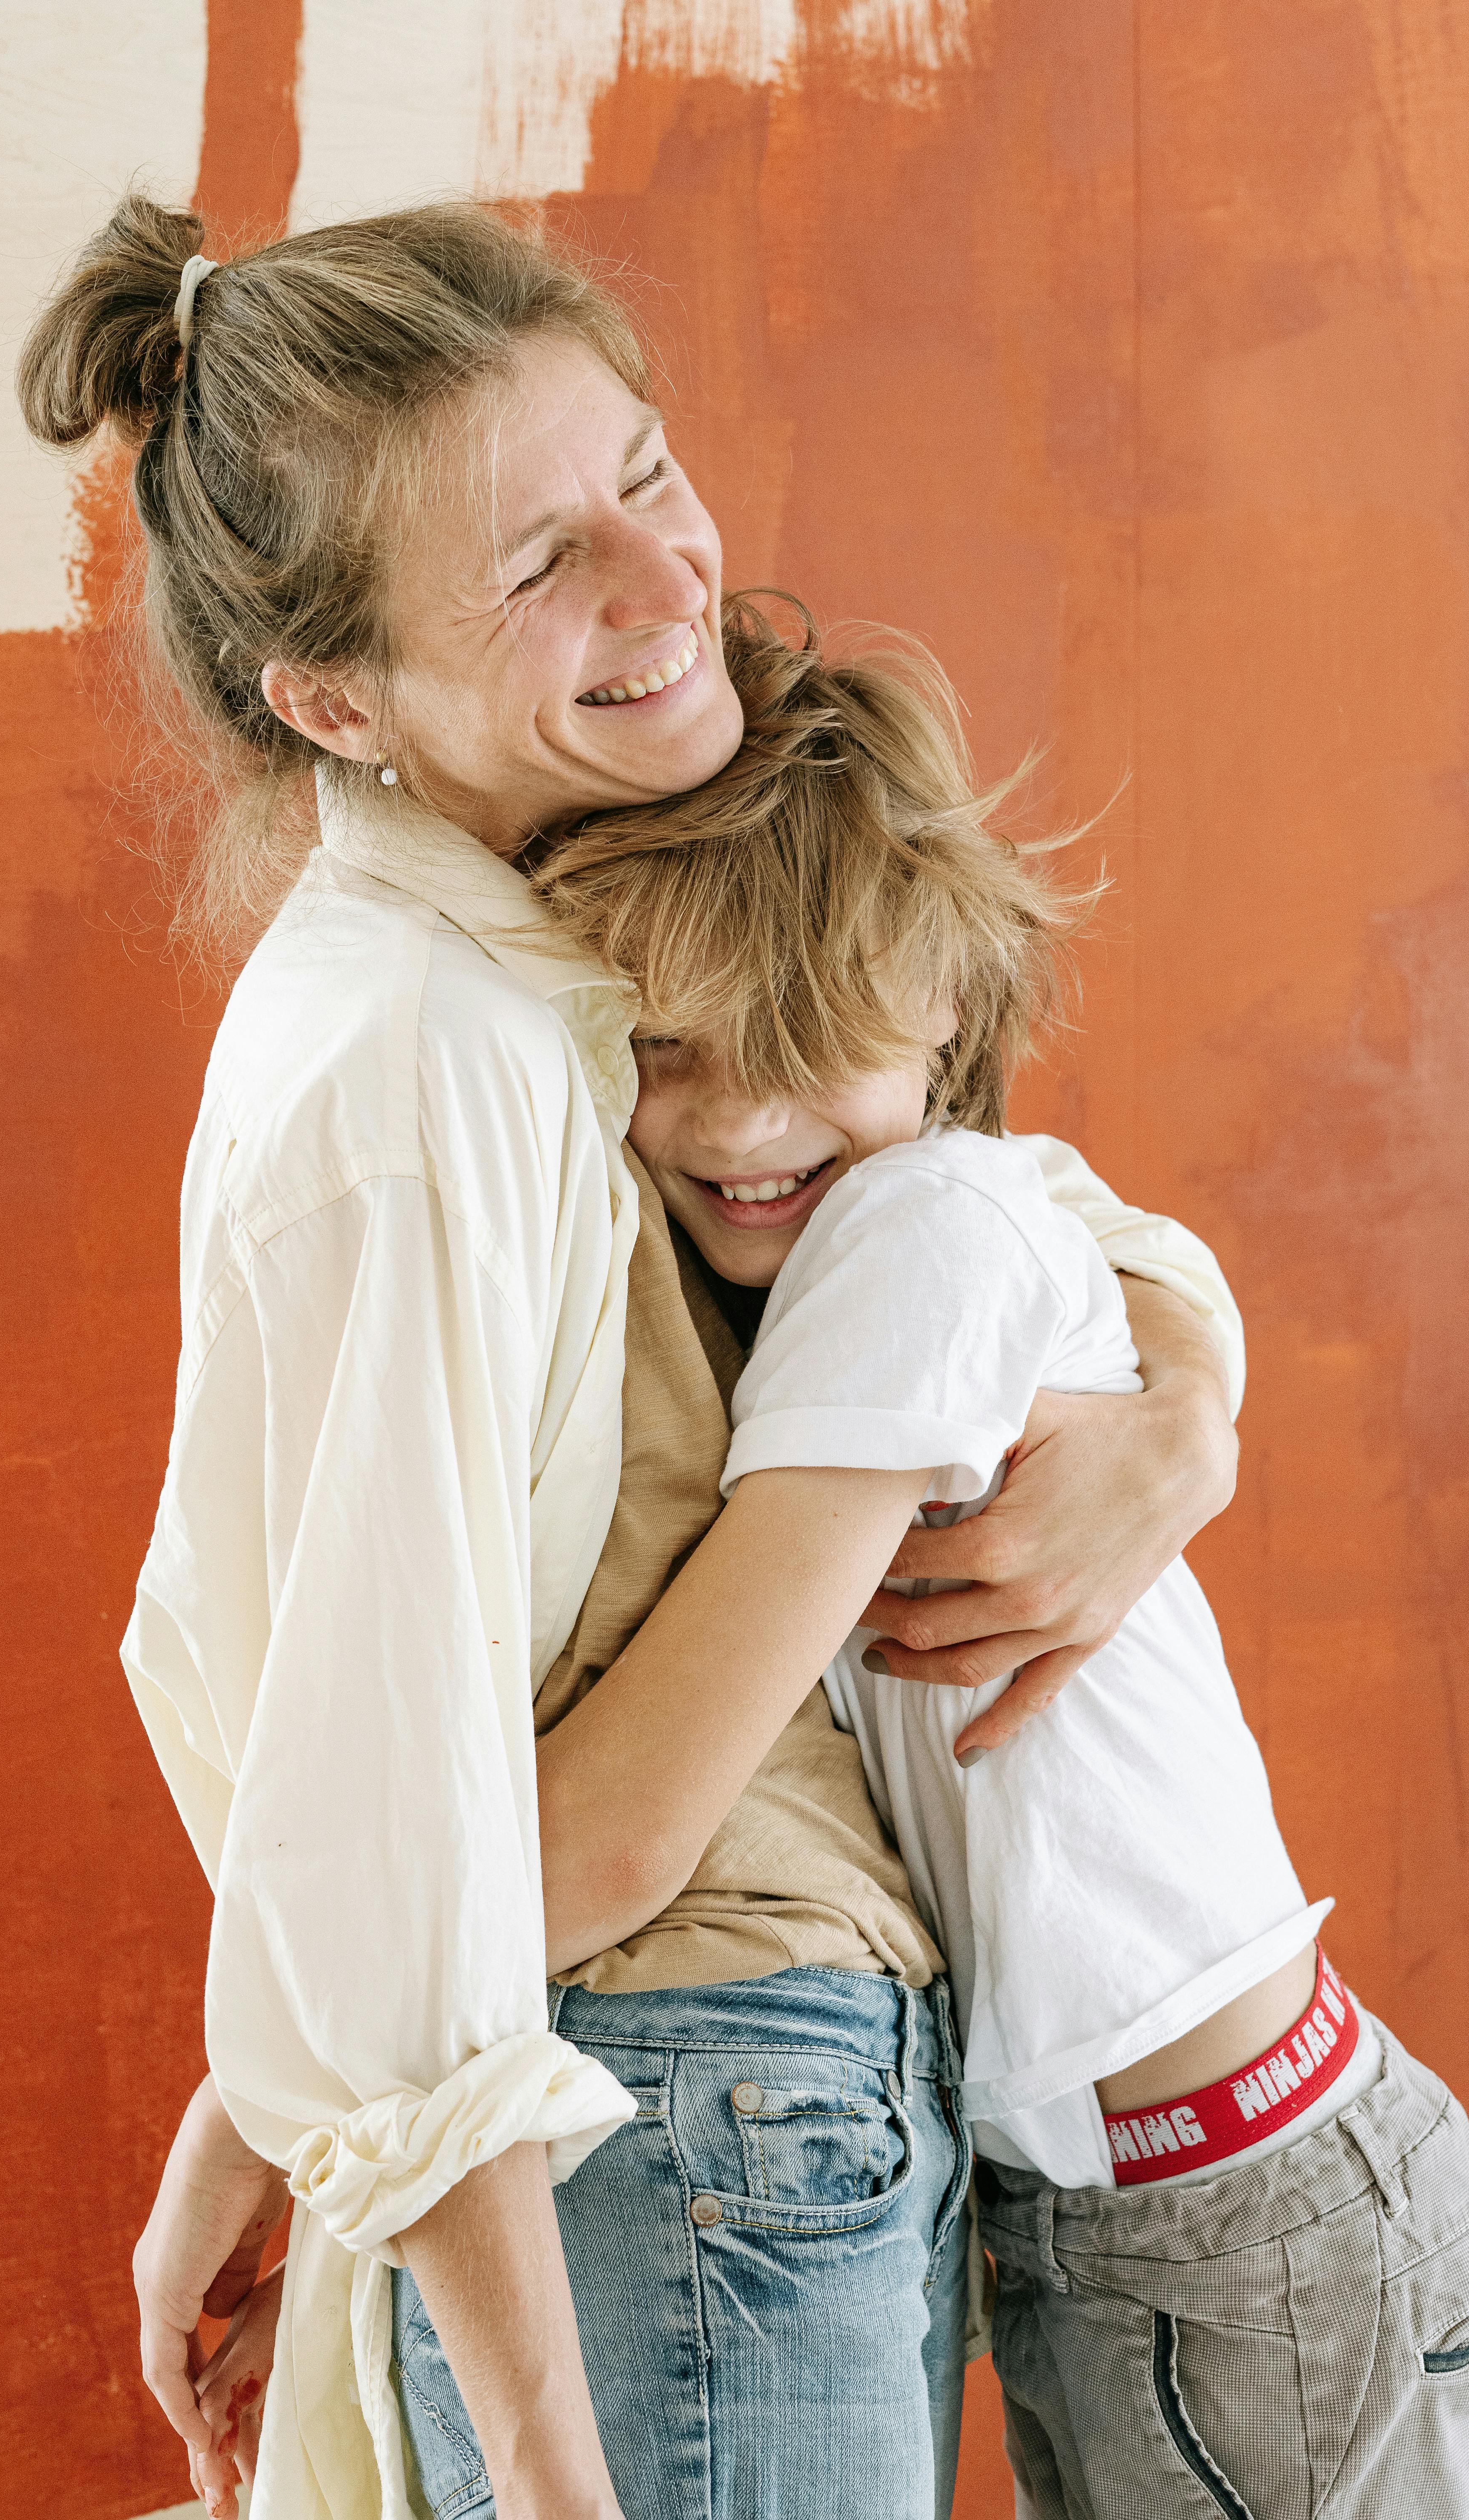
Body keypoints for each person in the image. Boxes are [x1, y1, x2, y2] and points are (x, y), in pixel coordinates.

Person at [18, 197, 1244, 2520]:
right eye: (534, 561)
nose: (667, 585)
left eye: (647, 476)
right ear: (335, 699)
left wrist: (1187, 1385)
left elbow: (956, 1168)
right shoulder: (422, 1078)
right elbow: (407, 1848)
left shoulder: (591, 917)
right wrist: (559, 2462)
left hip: (737, 2096)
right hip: (684, 2108)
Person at [529, 603, 1469, 2514]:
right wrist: (1192, 1387)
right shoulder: (934, 1219)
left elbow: (612, 1844)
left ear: (950, 999)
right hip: (1213, 2176)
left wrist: (294, 2069)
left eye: (806, 1038)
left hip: (1209, 2216)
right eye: (667, 1046)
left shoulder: (920, 1234)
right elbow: (1123, 1243)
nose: (738, 1121)